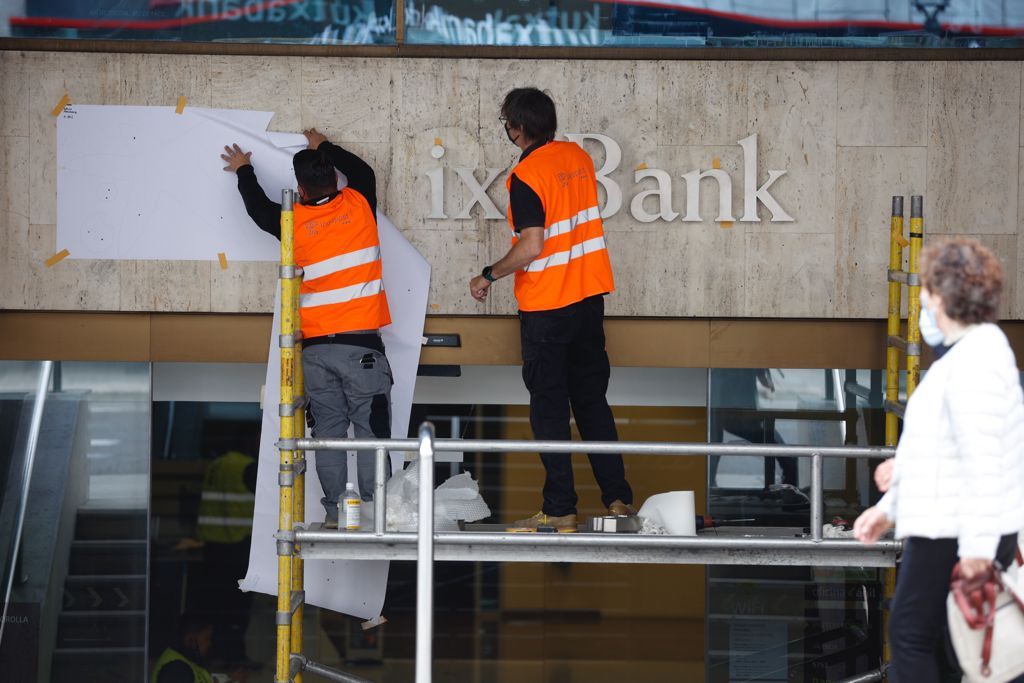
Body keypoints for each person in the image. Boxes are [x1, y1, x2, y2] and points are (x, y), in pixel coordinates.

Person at [853, 238, 1024, 683]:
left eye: (926, 290)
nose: (922, 301)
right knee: (945, 644)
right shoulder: (965, 356)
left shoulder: (978, 360)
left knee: (912, 635)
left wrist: (977, 550)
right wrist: (887, 509)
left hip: (956, 528)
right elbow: (942, 450)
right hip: (953, 523)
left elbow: (984, 460)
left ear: (943, 295)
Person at [469, 87, 634, 532]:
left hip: (547, 306)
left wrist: (488, 274)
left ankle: (560, 506)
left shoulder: (526, 175)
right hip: (588, 299)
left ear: (517, 128)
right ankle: (618, 499)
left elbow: (532, 245)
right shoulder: (576, 157)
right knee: (592, 401)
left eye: (506, 123)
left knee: (549, 407)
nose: (507, 129)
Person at [221, 130, 393, 526]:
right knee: (372, 434)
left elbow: (257, 209)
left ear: (299, 189)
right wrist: (322, 147)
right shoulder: (360, 200)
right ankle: (377, 513)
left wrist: (244, 169)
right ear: (335, 178)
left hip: (315, 351)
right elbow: (362, 170)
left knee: (329, 434)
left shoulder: (291, 221)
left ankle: (335, 514)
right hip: (361, 347)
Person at [194, 450, 258, 669]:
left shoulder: (216, 464)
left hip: (212, 544)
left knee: (216, 605)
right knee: (236, 609)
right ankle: (234, 658)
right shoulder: (247, 467)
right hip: (236, 544)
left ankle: (216, 653)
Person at [151, 613, 246, 683]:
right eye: (206, 639)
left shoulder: (189, 664)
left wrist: (231, 679)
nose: (209, 644)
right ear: (190, 639)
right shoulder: (177, 669)